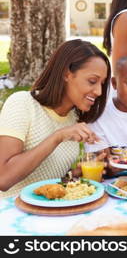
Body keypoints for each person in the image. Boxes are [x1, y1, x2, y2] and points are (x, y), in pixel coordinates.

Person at [0, 39, 111, 198]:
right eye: (92, 81)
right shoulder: (22, 104)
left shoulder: (73, 119)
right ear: (67, 74)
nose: (99, 91)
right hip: (13, 213)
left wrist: (74, 174)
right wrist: (57, 137)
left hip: (50, 212)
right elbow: (3, 178)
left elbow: (49, 182)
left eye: (102, 83)